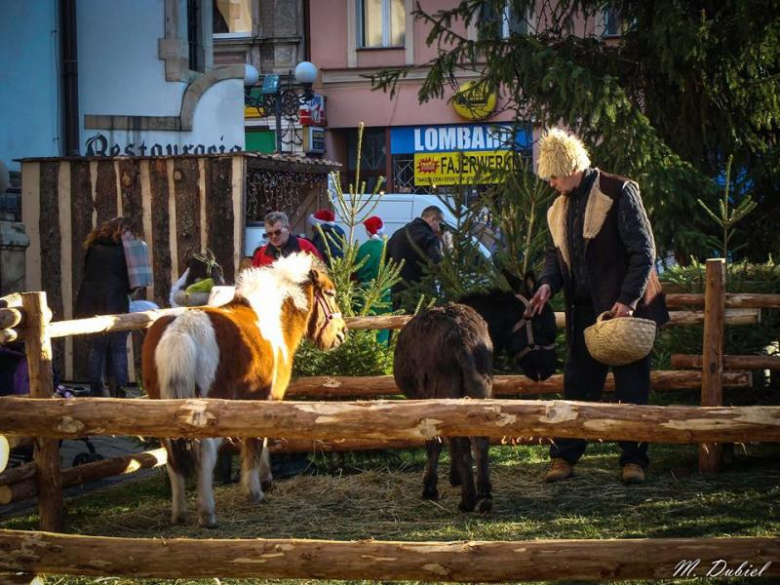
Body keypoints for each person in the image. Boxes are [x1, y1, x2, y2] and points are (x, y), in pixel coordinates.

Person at [529, 128, 669, 485]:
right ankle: (563, 458)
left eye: (554, 176)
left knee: (632, 390)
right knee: (576, 385)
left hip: (625, 311)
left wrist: (628, 300)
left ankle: (633, 460)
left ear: (570, 167)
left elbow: (644, 251)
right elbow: (555, 256)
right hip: (584, 313)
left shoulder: (619, 191)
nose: (552, 184)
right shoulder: (558, 207)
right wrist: (547, 284)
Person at [74, 217, 145, 398]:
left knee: (97, 347)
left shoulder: (94, 244)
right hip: (115, 300)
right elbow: (132, 283)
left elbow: (86, 272)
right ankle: (120, 392)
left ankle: (96, 390)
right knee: (118, 348)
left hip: (91, 301)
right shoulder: (127, 247)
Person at [386, 205, 444, 311]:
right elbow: (438, 264)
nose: (438, 228)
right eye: (439, 224)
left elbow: (386, 260)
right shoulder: (429, 237)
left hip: (398, 294)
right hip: (422, 295)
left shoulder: (398, 234)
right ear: (433, 219)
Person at [356, 215, 391, 343]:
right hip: (384, 292)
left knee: (364, 327)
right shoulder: (386, 247)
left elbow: (354, 271)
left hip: (363, 293)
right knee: (383, 328)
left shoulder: (361, 249)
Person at [252, 211, 323, 267]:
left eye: (277, 232)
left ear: (288, 229)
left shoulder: (306, 247)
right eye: (269, 234)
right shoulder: (261, 253)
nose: (273, 236)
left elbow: (320, 274)